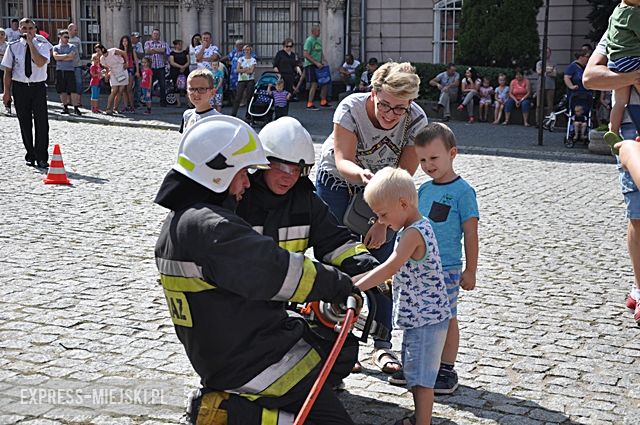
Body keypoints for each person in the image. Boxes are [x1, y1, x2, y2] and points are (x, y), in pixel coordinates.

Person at [154, 115, 359, 425]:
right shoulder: (214, 228)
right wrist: (341, 285)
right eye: (243, 172)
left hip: (228, 349)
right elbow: (275, 270)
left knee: (335, 352)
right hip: (257, 362)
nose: (248, 182)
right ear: (218, 173)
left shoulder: (180, 223)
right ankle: (227, 414)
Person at [316, 61, 428, 381]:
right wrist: (364, 177)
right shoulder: (350, 109)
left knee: (382, 266)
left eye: (400, 109)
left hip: (386, 190)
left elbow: (402, 176)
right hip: (338, 183)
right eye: (386, 105)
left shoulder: (416, 120)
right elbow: (342, 160)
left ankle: (382, 344)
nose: (392, 115)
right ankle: (342, 346)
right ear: (373, 91)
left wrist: (381, 218)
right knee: (339, 262)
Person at [354, 166, 450, 425]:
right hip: (421, 317)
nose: (382, 221)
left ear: (404, 203)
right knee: (416, 373)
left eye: (383, 214)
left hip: (425, 320)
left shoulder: (412, 233)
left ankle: (422, 422)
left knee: (421, 379)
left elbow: (391, 266)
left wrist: (357, 285)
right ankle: (419, 418)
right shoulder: (417, 226)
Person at [415, 122, 479, 396]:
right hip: (420, 268)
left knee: (447, 318)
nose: (428, 165)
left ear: (452, 153)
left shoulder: (464, 192)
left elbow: (471, 233)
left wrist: (471, 270)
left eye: (433, 158)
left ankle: (446, 368)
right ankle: (421, 366)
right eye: (422, 160)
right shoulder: (424, 190)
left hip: (448, 269)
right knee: (421, 317)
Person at [583, 33, 640, 325]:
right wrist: (632, 75)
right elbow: (590, 76)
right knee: (638, 214)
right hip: (633, 127)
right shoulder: (619, 28)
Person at [2, 18, 51, 168]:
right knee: (24, 123)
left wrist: (31, 44)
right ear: (19, 30)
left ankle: (42, 156)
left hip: (37, 87)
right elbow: (8, 71)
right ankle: (31, 154)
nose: (27, 31)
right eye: (24, 28)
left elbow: (40, 62)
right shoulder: (13, 46)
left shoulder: (42, 44)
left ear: (35, 29)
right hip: (20, 87)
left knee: (42, 123)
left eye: (30, 28)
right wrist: (6, 92)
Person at [604, 0, 640, 135]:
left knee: (620, 102)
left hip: (616, 62)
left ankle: (612, 132)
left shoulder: (616, 11)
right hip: (633, 59)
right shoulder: (634, 13)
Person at [179, 68, 220, 133]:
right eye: (192, 89)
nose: (196, 93)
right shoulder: (187, 115)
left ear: (212, 92)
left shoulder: (218, 120)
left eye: (202, 89)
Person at [53, 30, 81, 116]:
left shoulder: (72, 46)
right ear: (60, 37)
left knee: (73, 90)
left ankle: (76, 107)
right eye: (65, 37)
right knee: (62, 90)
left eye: (68, 37)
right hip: (60, 71)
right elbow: (55, 57)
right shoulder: (56, 47)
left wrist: (61, 57)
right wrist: (66, 55)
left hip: (70, 70)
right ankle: (65, 107)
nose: (67, 39)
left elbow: (71, 57)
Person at [95, 43, 128, 115]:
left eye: (98, 51)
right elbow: (106, 68)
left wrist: (126, 62)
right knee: (114, 90)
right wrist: (106, 75)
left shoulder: (113, 51)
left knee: (121, 90)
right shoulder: (102, 59)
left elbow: (124, 53)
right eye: (96, 51)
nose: (98, 53)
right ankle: (108, 108)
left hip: (121, 70)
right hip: (113, 72)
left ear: (102, 49)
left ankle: (115, 108)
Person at [303, 24, 330, 110]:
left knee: (325, 81)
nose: (319, 32)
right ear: (313, 31)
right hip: (311, 65)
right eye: (318, 31)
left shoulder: (318, 40)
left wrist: (323, 60)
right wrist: (315, 63)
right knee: (314, 84)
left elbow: (320, 51)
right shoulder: (309, 40)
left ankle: (323, 100)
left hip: (319, 64)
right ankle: (310, 103)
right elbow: (306, 54)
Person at [144, 28, 170, 107]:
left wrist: (153, 50)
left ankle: (163, 102)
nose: (156, 35)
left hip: (160, 67)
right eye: (154, 34)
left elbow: (163, 50)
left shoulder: (163, 43)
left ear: (159, 35)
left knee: (162, 85)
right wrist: (158, 50)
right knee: (148, 85)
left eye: (157, 34)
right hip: (150, 67)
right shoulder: (147, 43)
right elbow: (147, 51)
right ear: (152, 35)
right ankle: (148, 101)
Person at [564, 50, 592, 121]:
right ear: (581, 57)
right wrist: (571, 86)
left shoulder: (586, 67)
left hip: (586, 93)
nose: (588, 59)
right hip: (575, 94)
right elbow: (567, 77)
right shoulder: (572, 66)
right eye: (587, 57)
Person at [231, 44, 256, 118]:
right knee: (238, 97)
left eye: (248, 50)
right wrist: (246, 69)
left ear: (250, 51)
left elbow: (251, 71)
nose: (247, 51)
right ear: (243, 51)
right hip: (241, 80)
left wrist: (243, 69)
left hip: (250, 80)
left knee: (249, 97)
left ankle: (248, 115)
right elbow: (238, 70)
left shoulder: (253, 60)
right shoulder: (240, 59)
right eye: (245, 50)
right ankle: (233, 114)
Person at [119, 35, 139, 113]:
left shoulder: (132, 50)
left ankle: (132, 106)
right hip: (122, 70)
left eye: (126, 41)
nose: (125, 43)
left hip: (130, 69)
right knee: (123, 89)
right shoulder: (119, 50)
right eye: (123, 41)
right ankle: (126, 106)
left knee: (129, 89)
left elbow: (136, 61)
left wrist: (137, 71)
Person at [536, 47, 557, 116]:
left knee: (550, 105)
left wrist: (544, 71)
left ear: (550, 53)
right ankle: (538, 121)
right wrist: (548, 70)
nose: (546, 54)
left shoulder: (553, 63)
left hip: (551, 86)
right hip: (540, 85)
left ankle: (548, 121)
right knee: (539, 104)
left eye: (548, 52)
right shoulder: (539, 63)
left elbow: (554, 74)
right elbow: (539, 72)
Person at [169, 39, 189, 108]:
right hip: (175, 71)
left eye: (181, 44)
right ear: (175, 45)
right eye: (178, 44)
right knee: (176, 86)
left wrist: (184, 67)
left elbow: (188, 61)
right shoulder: (172, 53)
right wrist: (180, 66)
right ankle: (178, 102)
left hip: (185, 70)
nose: (180, 45)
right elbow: (172, 62)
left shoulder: (185, 52)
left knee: (187, 87)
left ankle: (189, 102)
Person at [67, 23, 83, 97]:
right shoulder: (65, 39)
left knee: (79, 82)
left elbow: (80, 52)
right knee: (69, 82)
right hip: (67, 65)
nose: (76, 32)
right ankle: (69, 99)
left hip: (77, 64)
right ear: (69, 30)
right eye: (75, 30)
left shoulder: (77, 39)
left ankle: (78, 99)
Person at [131, 31, 144, 107]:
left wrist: (135, 53)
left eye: (138, 38)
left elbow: (141, 55)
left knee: (138, 84)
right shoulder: (129, 44)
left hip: (138, 65)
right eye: (136, 38)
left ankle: (137, 101)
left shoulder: (139, 44)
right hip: (130, 65)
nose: (138, 40)